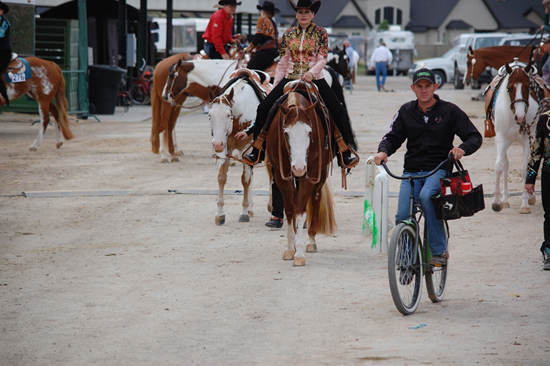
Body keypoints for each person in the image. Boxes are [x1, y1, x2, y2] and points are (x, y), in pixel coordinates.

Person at [373, 68, 482, 266]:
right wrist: (383, 152)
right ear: (413, 88)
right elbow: (392, 137)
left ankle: (439, 251)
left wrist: (462, 149)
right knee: (402, 213)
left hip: (438, 169)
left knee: (426, 197)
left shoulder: (450, 111)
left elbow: (475, 136)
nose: (424, 91)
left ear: (435, 87)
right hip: (411, 172)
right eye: (420, 87)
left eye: (428, 86)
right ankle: (406, 259)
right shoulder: (405, 111)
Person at [240, 0, 358, 168]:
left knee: (338, 109)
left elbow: (322, 59)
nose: (303, 15)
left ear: (312, 15)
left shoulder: (321, 33)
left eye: (307, 12)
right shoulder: (288, 34)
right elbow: (283, 62)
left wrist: (312, 72)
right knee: (264, 107)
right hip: (291, 77)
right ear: (296, 14)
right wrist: (275, 87)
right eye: (300, 12)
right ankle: (258, 149)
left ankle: (344, 152)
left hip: (315, 78)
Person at [525, 112, 550, 270]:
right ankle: (549, 250)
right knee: (549, 213)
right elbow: (536, 150)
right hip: (549, 174)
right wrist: (530, 178)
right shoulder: (544, 119)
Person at [244, 1, 280, 72]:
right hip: (274, 51)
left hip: (265, 51)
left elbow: (258, 37)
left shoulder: (262, 20)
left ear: (263, 12)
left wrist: (249, 48)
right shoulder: (273, 23)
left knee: (249, 69)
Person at [0, 1, 10, 107]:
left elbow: (1, 36)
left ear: (2, 11)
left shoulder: (4, 23)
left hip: (3, 51)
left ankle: (4, 97)